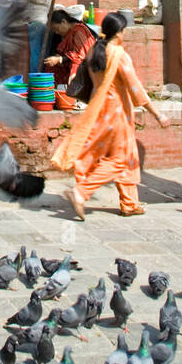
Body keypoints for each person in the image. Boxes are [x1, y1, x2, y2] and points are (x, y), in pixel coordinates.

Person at [50, 11, 167, 219]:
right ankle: (81, 192)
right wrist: (157, 114)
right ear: (120, 32)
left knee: (126, 155)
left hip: (98, 111)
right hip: (117, 114)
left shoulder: (96, 50)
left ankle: (129, 203)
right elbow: (136, 88)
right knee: (120, 160)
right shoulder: (119, 54)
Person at [43, 5, 96, 110]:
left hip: (86, 65)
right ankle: (58, 97)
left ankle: (80, 98)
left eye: (56, 29)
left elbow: (81, 55)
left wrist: (60, 59)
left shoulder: (79, 31)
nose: (57, 32)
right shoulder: (69, 33)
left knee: (75, 67)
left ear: (63, 22)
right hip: (70, 62)